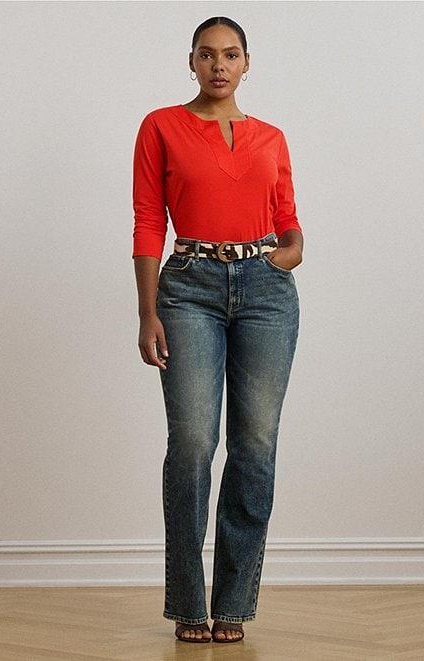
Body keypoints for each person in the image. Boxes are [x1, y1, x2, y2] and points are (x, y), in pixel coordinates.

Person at [132, 16, 304, 644]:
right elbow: (148, 220)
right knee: (194, 443)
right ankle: (187, 603)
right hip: (189, 288)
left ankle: (234, 602)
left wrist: (291, 249)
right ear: (191, 62)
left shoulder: (271, 137)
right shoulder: (161, 126)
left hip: (265, 292)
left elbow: (287, 215)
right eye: (207, 55)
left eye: (231, 55)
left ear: (247, 63)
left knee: (255, 445)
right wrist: (147, 311)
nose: (219, 66)